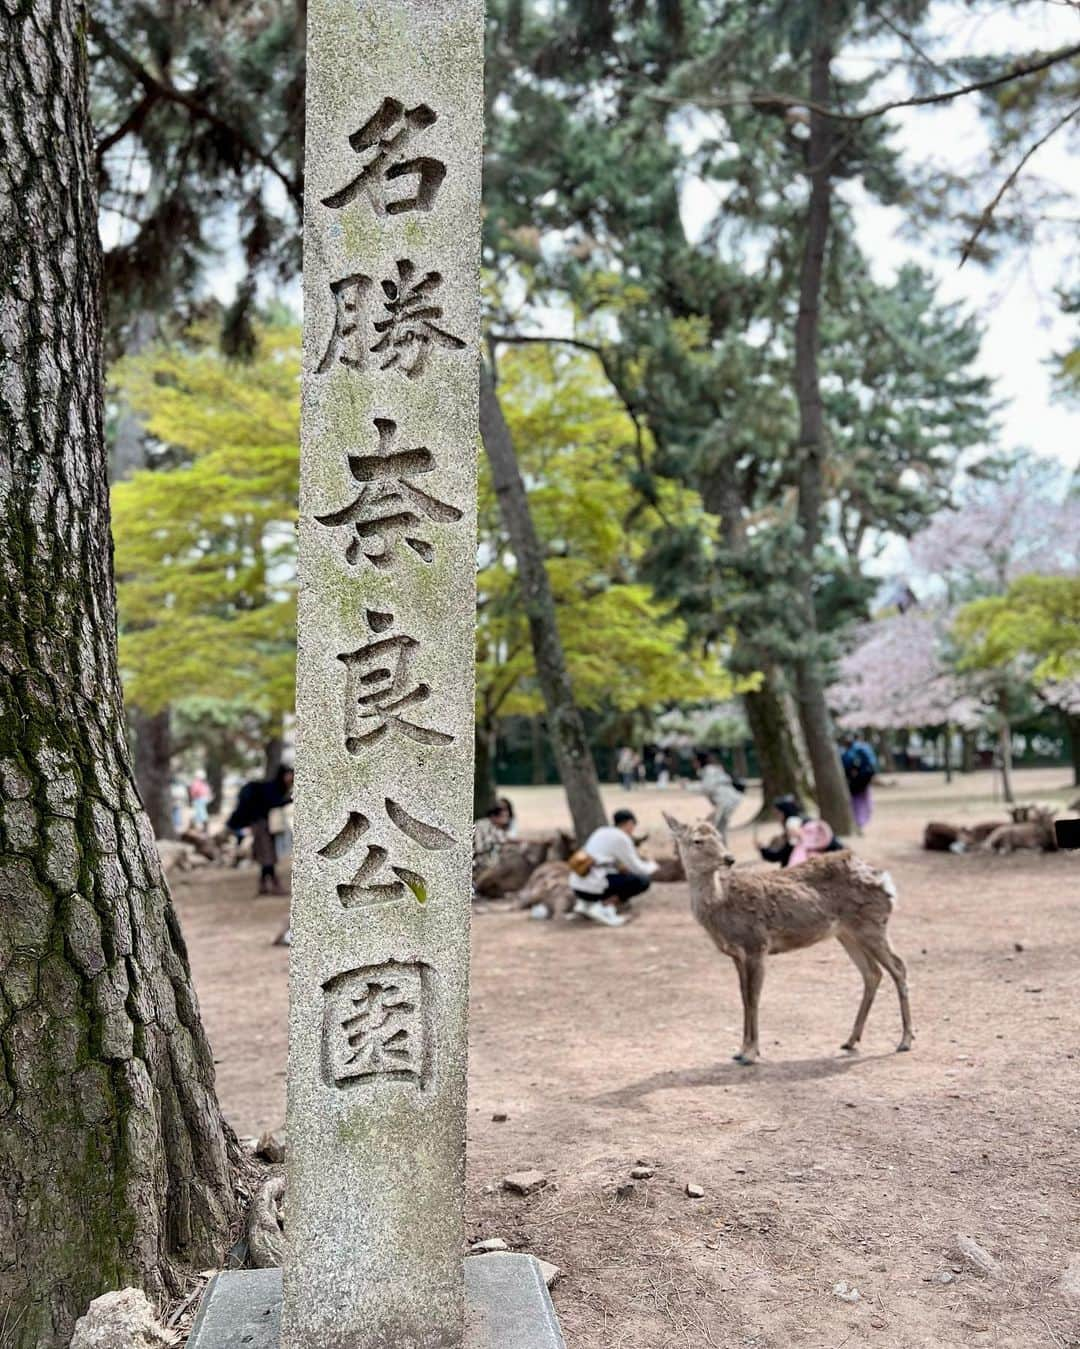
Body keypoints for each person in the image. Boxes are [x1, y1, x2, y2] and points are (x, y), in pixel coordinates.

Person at [569, 808, 658, 927]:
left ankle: (585, 905)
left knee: (619, 876)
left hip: (577, 886)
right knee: (642, 881)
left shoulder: (600, 831)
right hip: (593, 887)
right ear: (629, 823)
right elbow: (636, 867)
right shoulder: (621, 838)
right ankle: (604, 907)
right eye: (633, 826)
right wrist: (653, 866)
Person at [227, 764, 294, 895]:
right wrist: (289, 800)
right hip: (261, 823)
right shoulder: (272, 788)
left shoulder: (274, 787)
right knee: (267, 855)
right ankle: (274, 885)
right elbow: (273, 802)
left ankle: (264, 886)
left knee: (267, 856)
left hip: (263, 824)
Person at [698, 753, 744, 841]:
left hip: (726, 802)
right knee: (720, 828)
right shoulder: (714, 769)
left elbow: (707, 788)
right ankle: (724, 850)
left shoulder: (709, 770)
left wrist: (688, 787)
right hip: (731, 800)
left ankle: (722, 851)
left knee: (717, 828)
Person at [841, 734, 878, 834]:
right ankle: (860, 822)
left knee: (858, 803)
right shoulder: (862, 749)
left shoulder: (852, 751)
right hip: (860, 782)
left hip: (857, 781)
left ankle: (860, 822)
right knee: (861, 802)